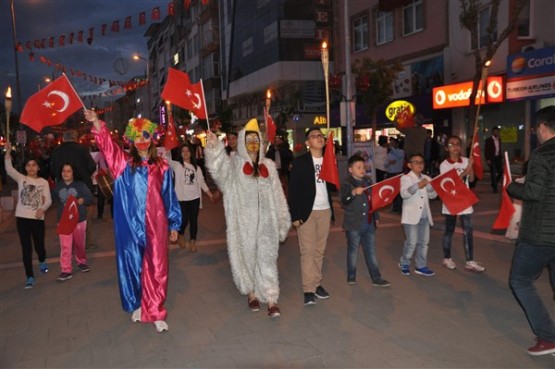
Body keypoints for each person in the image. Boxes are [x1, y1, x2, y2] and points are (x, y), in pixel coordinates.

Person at [85, 110, 181, 333]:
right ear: (130, 139)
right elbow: (107, 146)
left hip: (156, 224)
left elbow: (169, 196)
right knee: (132, 265)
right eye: (136, 137)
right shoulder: (123, 164)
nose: (141, 141)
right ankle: (139, 304)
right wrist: (97, 123)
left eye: (145, 136)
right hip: (129, 223)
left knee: (157, 266)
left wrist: (174, 223)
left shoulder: (163, 167)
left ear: (152, 139)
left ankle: (156, 310)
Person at [205, 119, 290, 318]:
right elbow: (219, 171)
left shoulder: (268, 166)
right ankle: (251, 292)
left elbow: (278, 195)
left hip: (267, 223)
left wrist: (283, 219)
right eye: (249, 138)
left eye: (256, 139)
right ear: (243, 141)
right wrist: (214, 147)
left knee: (268, 259)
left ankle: (271, 298)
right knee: (248, 257)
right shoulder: (234, 165)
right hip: (244, 223)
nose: (253, 142)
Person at [506, 105, 555, 356]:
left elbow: (534, 192)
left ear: (543, 128)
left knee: (520, 280)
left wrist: (513, 187)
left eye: (536, 129)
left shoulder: (541, 153)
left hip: (539, 235)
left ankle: (548, 337)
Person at [288, 127, 337, 305]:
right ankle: (308, 289)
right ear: (308, 143)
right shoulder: (300, 162)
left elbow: (333, 188)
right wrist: (295, 215)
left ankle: (316, 284)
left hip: (325, 211)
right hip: (307, 212)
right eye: (314, 136)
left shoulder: (329, 161)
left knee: (319, 251)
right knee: (307, 252)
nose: (319, 138)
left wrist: (332, 170)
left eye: (320, 135)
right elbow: (293, 190)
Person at [5, 142, 52, 289]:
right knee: (26, 248)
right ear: (25, 168)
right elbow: (9, 170)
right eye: (28, 165)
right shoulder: (22, 179)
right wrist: (7, 155)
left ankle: (42, 260)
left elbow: (49, 200)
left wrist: (42, 209)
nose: (31, 168)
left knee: (39, 246)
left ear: (38, 167)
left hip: (37, 219)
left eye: (34, 165)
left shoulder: (43, 182)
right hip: (22, 219)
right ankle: (29, 276)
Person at [341, 154, 390, 287]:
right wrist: (352, 193)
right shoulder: (347, 183)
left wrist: (376, 217)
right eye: (358, 167)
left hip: (369, 223)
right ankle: (351, 275)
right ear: (350, 169)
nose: (362, 170)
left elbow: (374, 201)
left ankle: (376, 277)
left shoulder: (368, 181)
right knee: (353, 251)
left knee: (371, 251)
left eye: (363, 167)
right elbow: (343, 201)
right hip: (354, 224)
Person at [440, 135, 485, 272]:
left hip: (464, 199)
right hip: (451, 200)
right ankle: (447, 258)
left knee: (468, 231)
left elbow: (471, 180)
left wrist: (470, 166)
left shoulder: (465, 160)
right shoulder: (444, 164)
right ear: (447, 148)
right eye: (452, 144)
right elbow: (448, 183)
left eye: (458, 144)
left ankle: (470, 260)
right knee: (449, 230)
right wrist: (464, 172)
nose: (455, 147)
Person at [50, 129, 97, 249]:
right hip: (83, 186)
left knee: (66, 216)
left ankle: (69, 242)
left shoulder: (56, 151)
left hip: (63, 188)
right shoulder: (82, 149)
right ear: (76, 138)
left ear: (64, 139)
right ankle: (87, 241)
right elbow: (92, 166)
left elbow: (52, 170)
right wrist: (84, 174)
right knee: (86, 217)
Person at [167, 142, 214, 252]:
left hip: (195, 198)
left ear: (191, 153)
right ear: (181, 154)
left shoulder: (196, 168)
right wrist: (163, 146)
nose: (185, 153)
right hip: (182, 199)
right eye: (183, 151)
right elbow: (165, 159)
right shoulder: (177, 165)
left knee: (193, 221)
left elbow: (202, 182)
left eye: (187, 150)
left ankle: (193, 241)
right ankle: (181, 234)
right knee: (183, 220)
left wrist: (210, 195)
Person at [53, 163, 94, 281]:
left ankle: (81, 262)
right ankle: (66, 270)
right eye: (63, 171)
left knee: (79, 244)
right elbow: (51, 198)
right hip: (63, 221)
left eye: (68, 171)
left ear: (73, 173)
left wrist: (83, 200)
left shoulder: (80, 185)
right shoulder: (58, 186)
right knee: (65, 246)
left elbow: (90, 198)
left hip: (79, 220)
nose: (65, 173)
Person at [399, 153, 437, 277]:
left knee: (424, 242)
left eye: (421, 162)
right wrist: (416, 186)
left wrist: (430, 187)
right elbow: (404, 194)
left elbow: (433, 195)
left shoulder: (427, 178)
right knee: (412, 242)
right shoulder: (406, 178)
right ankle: (404, 262)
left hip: (425, 216)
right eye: (415, 162)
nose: (419, 164)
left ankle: (421, 265)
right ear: (409, 165)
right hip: (411, 217)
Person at [385, 137, 405, 213]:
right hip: (390, 174)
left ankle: (399, 208)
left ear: (397, 144)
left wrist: (391, 148)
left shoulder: (401, 151)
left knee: (399, 192)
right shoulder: (389, 153)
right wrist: (389, 163)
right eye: (390, 143)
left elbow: (399, 156)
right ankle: (394, 207)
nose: (391, 145)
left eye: (393, 143)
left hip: (397, 174)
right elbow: (385, 164)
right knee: (392, 191)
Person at [485, 126, 503, 193]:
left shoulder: (499, 139)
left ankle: (494, 183)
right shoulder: (488, 140)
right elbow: (486, 150)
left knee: (501, 172)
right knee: (493, 173)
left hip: (498, 158)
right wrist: (487, 159)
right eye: (494, 132)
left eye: (497, 132)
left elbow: (499, 149)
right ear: (492, 132)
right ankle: (495, 188)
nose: (496, 133)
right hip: (491, 158)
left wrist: (501, 156)